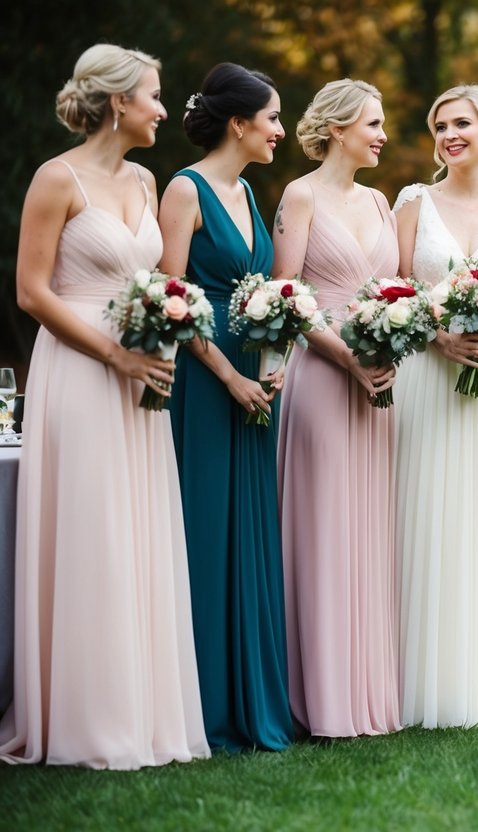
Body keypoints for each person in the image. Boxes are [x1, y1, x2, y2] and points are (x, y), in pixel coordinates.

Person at [1, 44, 208, 768]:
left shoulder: (148, 181)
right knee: (92, 531)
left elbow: (157, 281)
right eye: (155, 95)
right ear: (119, 102)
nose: (163, 108)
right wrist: (113, 353)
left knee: (138, 529)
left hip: (142, 371)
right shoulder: (56, 179)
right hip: (83, 371)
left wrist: (164, 334)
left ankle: (143, 714)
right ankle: (86, 721)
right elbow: (32, 292)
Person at [157, 62, 292, 751]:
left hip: (251, 379)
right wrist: (225, 375)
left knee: (250, 527)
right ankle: (205, 702)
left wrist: (266, 368)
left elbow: (265, 291)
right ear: (238, 123)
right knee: (207, 527)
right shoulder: (184, 189)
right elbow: (170, 297)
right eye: (271, 118)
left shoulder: (247, 189)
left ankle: (252, 699)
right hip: (203, 380)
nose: (279, 130)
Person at [392, 85, 478, 728]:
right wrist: (441, 335)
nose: (450, 135)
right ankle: (415, 677)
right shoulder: (413, 202)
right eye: (440, 124)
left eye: (463, 124)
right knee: (425, 512)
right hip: (427, 374)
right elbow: (393, 288)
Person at [273, 79, 401, 737]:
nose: (382, 135)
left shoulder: (380, 201)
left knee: (368, 524)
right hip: (323, 374)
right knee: (324, 526)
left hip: (377, 381)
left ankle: (365, 692)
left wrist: (387, 345)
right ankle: (316, 696)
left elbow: (391, 290)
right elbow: (285, 296)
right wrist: (348, 357)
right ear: (339, 126)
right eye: (373, 123)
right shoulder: (301, 194)